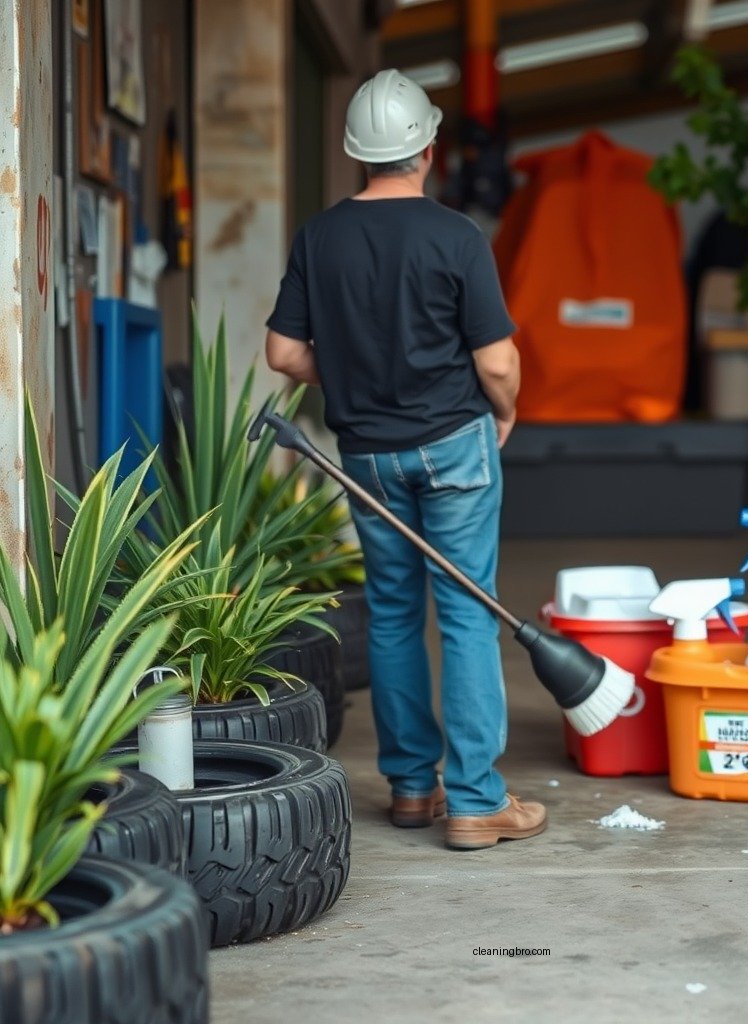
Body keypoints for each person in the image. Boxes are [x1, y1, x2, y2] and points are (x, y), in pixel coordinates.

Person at [265, 69, 546, 851]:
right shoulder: (456, 236)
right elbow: (496, 361)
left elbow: (283, 352)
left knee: (391, 615)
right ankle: (478, 802)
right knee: (465, 616)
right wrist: (508, 410)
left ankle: (414, 791)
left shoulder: (318, 237)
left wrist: (347, 373)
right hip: (454, 444)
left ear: (359, 153)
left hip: (368, 460)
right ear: (426, 146)